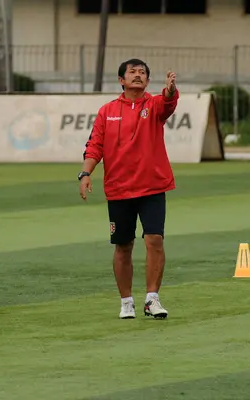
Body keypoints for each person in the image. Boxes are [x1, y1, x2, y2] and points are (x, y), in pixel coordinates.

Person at [79, 58, 178, 320]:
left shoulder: (154, 105)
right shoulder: (106, 111)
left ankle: (152, 299)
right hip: (119, 188)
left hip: (153, 186)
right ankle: (126, 302)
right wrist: (86, 173)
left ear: (148, 80)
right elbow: (95, 146)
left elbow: (168, 104)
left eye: (142, 73)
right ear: (121, 80)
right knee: (123, 246)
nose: (138, 75)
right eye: (132, 72)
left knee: (154, 239)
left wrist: (169, 91)